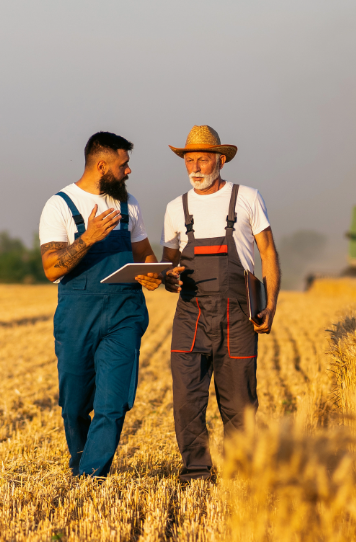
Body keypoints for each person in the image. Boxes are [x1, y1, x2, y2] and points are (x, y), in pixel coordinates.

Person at [160, 125, 281, 483]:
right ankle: (196, 471)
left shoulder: (247, 198)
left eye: (203, 159)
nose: (195, 167)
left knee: (240, 403)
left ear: (221, 160)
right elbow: (169, 266)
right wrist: (168, 278)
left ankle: (240, 471)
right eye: (189, 160)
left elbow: (268, 253)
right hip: (190, 314)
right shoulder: (174, 208)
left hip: (238, 315)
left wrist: (270, 305)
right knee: (186, 400)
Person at [39, 131, 163, 478]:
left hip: (125, 312)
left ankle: (91, 476)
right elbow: (51, 269)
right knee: (74, 405)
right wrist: (88, 237)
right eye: (124, 165)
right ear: (102, 165)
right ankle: (80, 461)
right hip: (78, 313)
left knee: (112, 404)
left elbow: (144, 253)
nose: (129, 171)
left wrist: (151, 273)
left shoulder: (130, 205)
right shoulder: (59, 205)